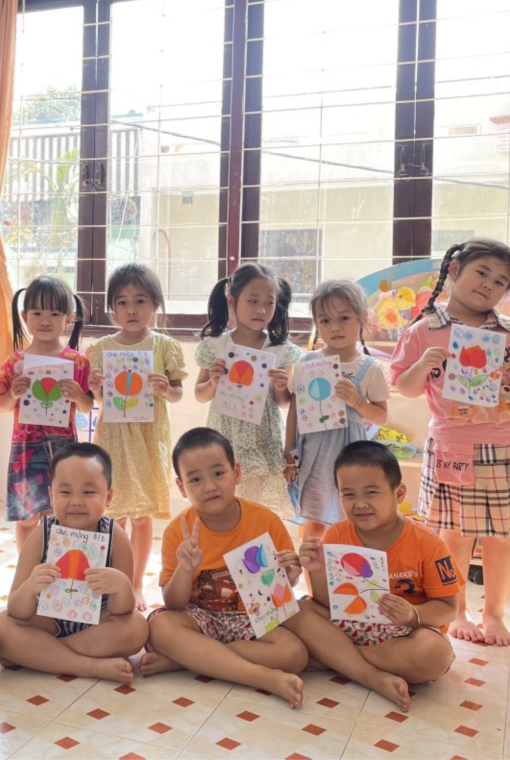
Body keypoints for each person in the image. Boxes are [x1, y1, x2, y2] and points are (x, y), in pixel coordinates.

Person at [391, 237, 510, 647]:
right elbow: (405, 387)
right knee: (454, 534)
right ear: (454, 271)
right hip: (457, 445)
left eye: (500, 281)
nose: (489, 284)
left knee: (505, 536)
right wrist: (423, 365)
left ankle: (495, 615)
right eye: (481, 272)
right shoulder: (423, 331)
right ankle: (457, 609)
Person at [140, 427, 307, 709]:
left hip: (250, 618)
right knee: (159, 627)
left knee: (295, 654)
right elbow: (174, 603)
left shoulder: (266, 521)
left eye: (218, 473)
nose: (209, 486)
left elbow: (283, 585)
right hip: (200, 618)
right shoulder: (177, 531)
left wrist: (291, 576)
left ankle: (188, 659)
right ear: (181, 487)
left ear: (236, 473)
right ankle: (262, 677)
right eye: (195, 479)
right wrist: (185, 569)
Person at [289, 441, 459, 712]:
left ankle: (334, 658)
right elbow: (327, 603)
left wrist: (412, 615)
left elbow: (449, 608)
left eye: (371, 492)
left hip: (405, 633)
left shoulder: (428, 543)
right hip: (350, 625)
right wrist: (316, 569)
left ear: (398, 493)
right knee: (294, 609)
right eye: (348, 494)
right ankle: (370, 675)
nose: (360, 504)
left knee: (435, 654)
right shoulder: (336, 534)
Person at [0, 443, 147, 683]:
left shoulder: (116, 536)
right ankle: (89, 666)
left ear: (109, 496)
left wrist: (123, 587)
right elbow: (16, 608)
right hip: (48, 621)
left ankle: (40, 654)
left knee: (137, 628)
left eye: (88, 492)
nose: (76, 501)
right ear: (51, 495)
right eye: (65, 492)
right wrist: (30, 587)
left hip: (98, 623)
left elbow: (122, 610)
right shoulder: (42, 533)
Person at [86, 264, 187, 612]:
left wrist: (166, 389)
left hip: (148, 438)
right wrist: (96, 389)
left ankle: (136, 583)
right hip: (113, 438)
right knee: (112, 514)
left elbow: (178, 394)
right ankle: (113, 581)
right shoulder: (101, 348)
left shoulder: (165, 346)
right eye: (122, 302)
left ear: (155, 304)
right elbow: (100, 401)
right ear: (112, 307)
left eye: (140, 301)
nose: (131, 309)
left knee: (142, 516)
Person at [0, 276, 92, 551]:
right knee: (27, 517)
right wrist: (13, 394)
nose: (45, 320)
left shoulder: (77, 361)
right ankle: (27, 568)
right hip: (25, 447)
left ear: (68, 319)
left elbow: (86, 407)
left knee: (60, 513)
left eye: (54, 313)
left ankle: (58, 567)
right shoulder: (15, 362)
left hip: (64, 447)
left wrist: (78, 395)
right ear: (25, 316)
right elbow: (0, 407)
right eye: (37, 312)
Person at [285, 280, 389, 542]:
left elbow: (381, 416)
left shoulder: (369, 367)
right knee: (314, 524)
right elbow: (295, 410)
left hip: (351, 456)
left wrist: (357, 402)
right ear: (317, 325)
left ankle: (343, 570)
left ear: (362, 318)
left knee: (349, 524)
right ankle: (312, 570)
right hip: (313, 453)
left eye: (344, 318)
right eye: (325, 321)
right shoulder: (307, 361)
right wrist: (289, 453)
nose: (335, 327)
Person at [195, 263, 301, 515]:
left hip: (263, 438)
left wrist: (281, 386)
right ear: (232, 301)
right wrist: (213, 382)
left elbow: (284, 402)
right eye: (252, 301)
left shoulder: (280, 350)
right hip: (225, 434)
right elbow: (200, 395)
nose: (261, 309)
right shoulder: (216, 345)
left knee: (257, 508)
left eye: (269, 303)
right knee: (225, 498)